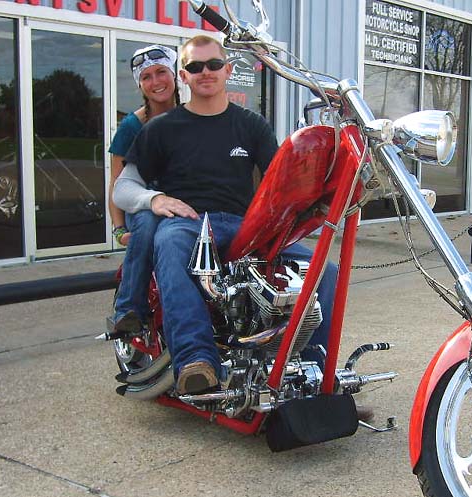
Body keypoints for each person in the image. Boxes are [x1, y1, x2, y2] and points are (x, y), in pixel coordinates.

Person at [114, 34, 337, 395]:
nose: (206, 72)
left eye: (214, 64)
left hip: (243, 225)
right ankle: (196, 360)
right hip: (186, 223)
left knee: (324, 270)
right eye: (195, 66)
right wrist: (154, 200)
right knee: (167, 245)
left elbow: (282, 182)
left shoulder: (251, 125)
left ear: (228, 71)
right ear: (183, 76)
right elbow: (123, 186)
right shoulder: (161, 128)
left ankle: (313, 372)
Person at [108, 45, 180, 334]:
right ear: (140, 85)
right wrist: (118, 229)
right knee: (148, 222)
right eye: (146, 77)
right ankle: (129, 308)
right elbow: (117, 182)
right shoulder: (132, 126)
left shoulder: (192, 117)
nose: (156, 81)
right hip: (143, 203)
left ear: (175, 75)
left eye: (161, 72)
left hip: (182, 201)